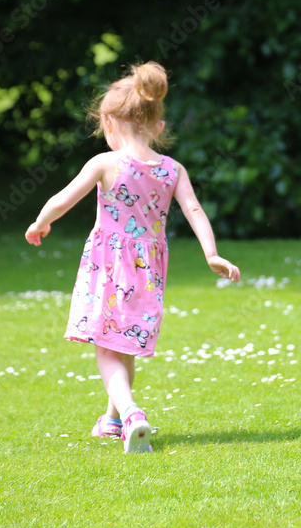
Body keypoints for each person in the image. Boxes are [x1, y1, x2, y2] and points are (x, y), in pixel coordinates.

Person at [25, 61, 241, 453]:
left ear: (108, 124)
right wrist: (212, 254)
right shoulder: (173, 170)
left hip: (109, 266)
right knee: (123, 344)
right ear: (158, 126)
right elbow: (194, 211)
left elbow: (63, 199)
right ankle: (110, 420)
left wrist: (40, 222)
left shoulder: (105, 163)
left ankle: (130, 414)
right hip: (149, 271)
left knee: (106, 349)